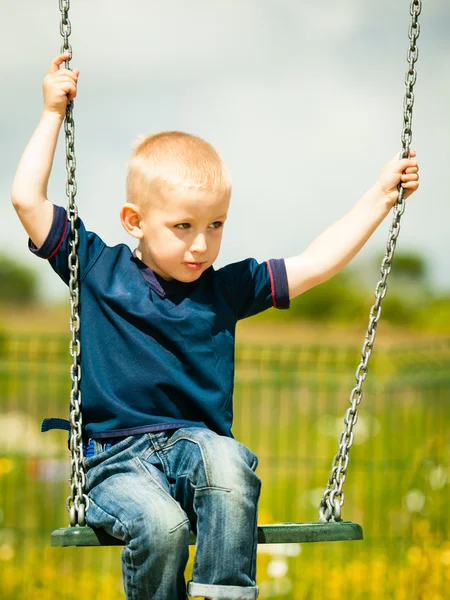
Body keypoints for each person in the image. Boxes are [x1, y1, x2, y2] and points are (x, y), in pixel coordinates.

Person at [11, 54, 419, 600]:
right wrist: (50, 113)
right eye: (183, 227)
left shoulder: (226, 289)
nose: (201, 244)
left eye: (215, 225)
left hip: (197, 452)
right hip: (114, 463)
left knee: (229, 459)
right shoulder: (97, 267)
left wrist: (381, 197)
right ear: (135, 220)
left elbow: (316, 263)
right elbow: (26, 200)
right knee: (162, 528)